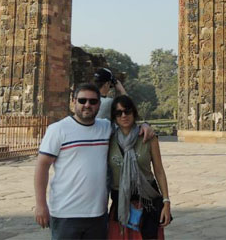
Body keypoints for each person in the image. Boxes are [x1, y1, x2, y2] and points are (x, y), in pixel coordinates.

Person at [34, 83, 153, 240]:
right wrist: (41, 204)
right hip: (65, 213)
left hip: (97, 214)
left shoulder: (106, 128)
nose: (87, 105)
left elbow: (127, 121)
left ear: (99, 104)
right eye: (82, 101)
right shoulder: (58, 130)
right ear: (73, 101)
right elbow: (42, 167)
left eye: (93, 101)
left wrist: (144, 125)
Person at [108, 96, 172, 240]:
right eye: (119, 113)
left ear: (134, 113)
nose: (123, 115)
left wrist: (166, 202)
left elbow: (159, 171)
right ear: (114, 117)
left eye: (127, 111)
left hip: (148, 202)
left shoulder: (148, 137)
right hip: (121, 203)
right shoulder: (108, 139)